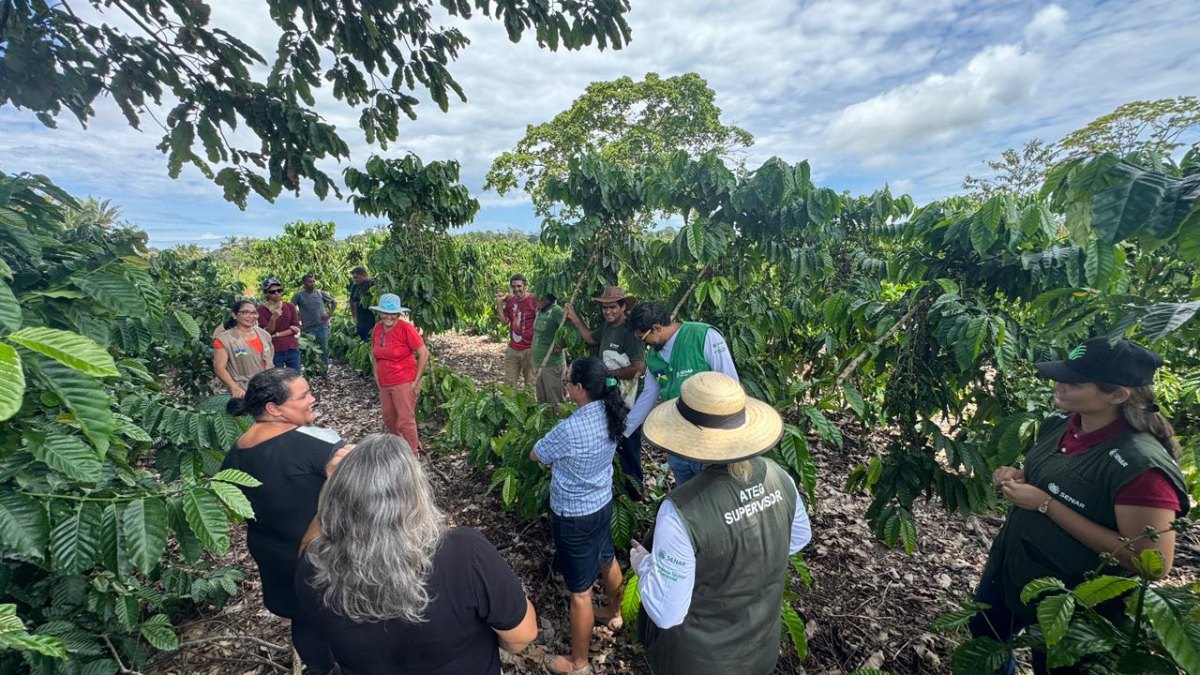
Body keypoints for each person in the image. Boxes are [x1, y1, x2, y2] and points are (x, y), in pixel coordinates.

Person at [970, 337, 1189, 675]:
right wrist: (1018, 475)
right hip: (1011, 569)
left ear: (1118, 395)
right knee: (986, 640)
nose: (1059, 385)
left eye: (1074, 382)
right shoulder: (1061, 424)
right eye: (1061, 376)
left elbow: (1152, 563)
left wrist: (1046, 504)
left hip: (1072, 600)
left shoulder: (1140, 467)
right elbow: (1060, 474)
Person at [296, 434, 538, 675]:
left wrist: (341, 488)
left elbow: (309, 547)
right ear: (417, 496)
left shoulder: (312, 571)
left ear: (334, 498)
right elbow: (521, 637)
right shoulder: (463, 553)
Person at [632, 372, 812, 675]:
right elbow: (796, 539)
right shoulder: (779, 477)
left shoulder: (680, 512)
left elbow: (666, 612)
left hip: (698, 661)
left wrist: (645, 565)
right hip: (760, 651)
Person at [221, 368, 354, 675]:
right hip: (322, 556)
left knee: (303, 617)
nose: (313, 399)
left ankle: (319, 669)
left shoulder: (236, 452)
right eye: (304, 395)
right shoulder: (314, 443)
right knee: (344, 619)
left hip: (272, 553)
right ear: (273, 409)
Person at [530, 357, 628, 675]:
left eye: (569, 382)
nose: (567, 386)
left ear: (580, 389)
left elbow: (537, 454)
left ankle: (579, 662)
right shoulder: (611, 412)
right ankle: (615, 613)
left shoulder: (570, 429)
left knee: (581, 594)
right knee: (607, 558)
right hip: (602, 504)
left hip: (573, 515)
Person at [625, 302, 738, 486]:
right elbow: (649, 394)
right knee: (688, 498)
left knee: (714, 495)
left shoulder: (704, 336)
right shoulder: (654, 358)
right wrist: (625, 430)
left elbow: (730, 384)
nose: (644, 345)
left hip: (710, 442)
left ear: (656, 328)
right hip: (678, 443)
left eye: (643, 338)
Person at [565, 286, 647, 496]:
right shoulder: (607, 327)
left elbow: (639, 368)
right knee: (613, 442)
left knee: (629, 445)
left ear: (622, 307)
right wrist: (575, 318)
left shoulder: (629, 331)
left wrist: (608, 373)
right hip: (611, 397)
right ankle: (617, 488)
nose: (608, 312)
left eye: (612, 308)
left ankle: (635, 494)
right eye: (605, 308)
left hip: (628, 402)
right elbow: (591, 339)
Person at [368, 293, 429, 453]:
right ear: (380, 313)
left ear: (398, 314)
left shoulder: (406, 328)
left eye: (392, 313)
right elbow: (374, 353)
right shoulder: (378, 328)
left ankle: (412, 455)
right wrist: (376, 374)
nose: (388, 317)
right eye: (385, 313)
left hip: (404, 380)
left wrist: (416, 380)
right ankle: (402, 446)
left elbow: (423, 353)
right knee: (389, 419)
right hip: (385, 382)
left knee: (405, 420)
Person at [212, 299, 274, 398]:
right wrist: (234, 387)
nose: (251, 316)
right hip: (244, 391)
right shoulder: (224, 340)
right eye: (245, 312)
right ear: (234, 315)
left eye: (254, 313)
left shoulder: (264, 334)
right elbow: (219, 368)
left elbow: (270, 355)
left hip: (267, 387)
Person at [495, 273, 537, 390]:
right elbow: (504, 322)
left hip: (530, 349)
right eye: (513, 287)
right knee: (509, 385)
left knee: (531, 385)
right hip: (513, 349)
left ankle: (530, 407)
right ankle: (509, 407)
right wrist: (499, 305)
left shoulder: (533, 300)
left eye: (519, 286)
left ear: (525, 286)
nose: (516, 289)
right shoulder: (511, 301)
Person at [293, 273, 337, 370]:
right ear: (304, 283)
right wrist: (297, 317)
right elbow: (291, 308)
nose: (312, 284)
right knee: (308, 352)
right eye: (309, 282)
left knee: (323, 350)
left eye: (313, 281)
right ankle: (310, 371)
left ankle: (324, 371)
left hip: (322, 327)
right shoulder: (299, 296)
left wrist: (329, 314)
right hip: (308, 329)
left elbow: (334, 302)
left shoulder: (320, 293)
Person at [258, 277, 303, 370]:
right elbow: (266, 333)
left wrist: (277, 334)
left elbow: (296, 328)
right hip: (274, 350)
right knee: (277, 378)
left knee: (295, 376)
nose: (277, 293)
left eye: (279, 290)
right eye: (272, 292)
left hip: (292, 347)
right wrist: (273, 319)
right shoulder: (261, 310)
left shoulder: (289, 306)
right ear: (266, 293)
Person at [532, 292, 567, 405]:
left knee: (555, 403)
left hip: (552, 365)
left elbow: (570, 330)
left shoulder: (556, 311)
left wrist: (561, 345)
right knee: (542, 403)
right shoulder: (540, 310)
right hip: (538, 364)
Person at [348, 266, 377, 342]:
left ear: (364, 276)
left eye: (356, 277)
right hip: (360, 317)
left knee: (371, 337)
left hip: (371, 317)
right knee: (362, 334)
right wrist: (354, 316)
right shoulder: (355, 286)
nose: (355, 280)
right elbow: (352, 300)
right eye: (354, 278)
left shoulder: (371, 283)